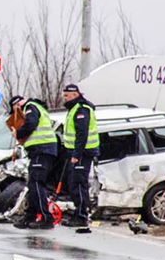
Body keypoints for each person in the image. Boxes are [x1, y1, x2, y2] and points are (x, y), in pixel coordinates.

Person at [8, 95, 58, 230]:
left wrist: (17, 133)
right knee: (33, 184)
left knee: (36, 184)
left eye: (15, 110)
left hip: (42, 149)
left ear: (17, 105)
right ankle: (30, 216)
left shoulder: (30, 107)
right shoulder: (37, 107)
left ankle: (46, 218)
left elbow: (31, 124)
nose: (16, 114)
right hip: (41, 150)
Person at [61, 84, 99, 228]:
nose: (64, 98)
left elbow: (82, 134)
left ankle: (82, 215)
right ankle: (79, 212)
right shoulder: (74, 109)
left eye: (66, 96)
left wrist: (76, 154)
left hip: (83, 153)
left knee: (79, 184)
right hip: (76, 152)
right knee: (74, 183)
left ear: (75, 95)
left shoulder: (81, 109)